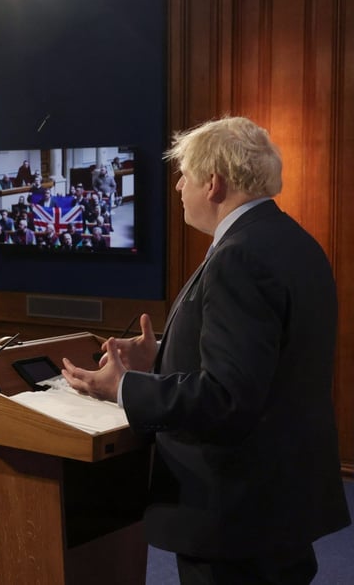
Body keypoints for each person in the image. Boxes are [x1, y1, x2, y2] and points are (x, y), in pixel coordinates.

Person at [61, 117, 350, 585]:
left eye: (186, 175)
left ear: (213, 183)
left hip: (234, 512)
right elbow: (269, 366)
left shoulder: (239, 256)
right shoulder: (295, 242)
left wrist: (125, 387)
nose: (178, 186)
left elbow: (227, 397)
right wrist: (162, 358)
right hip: (280, 500)